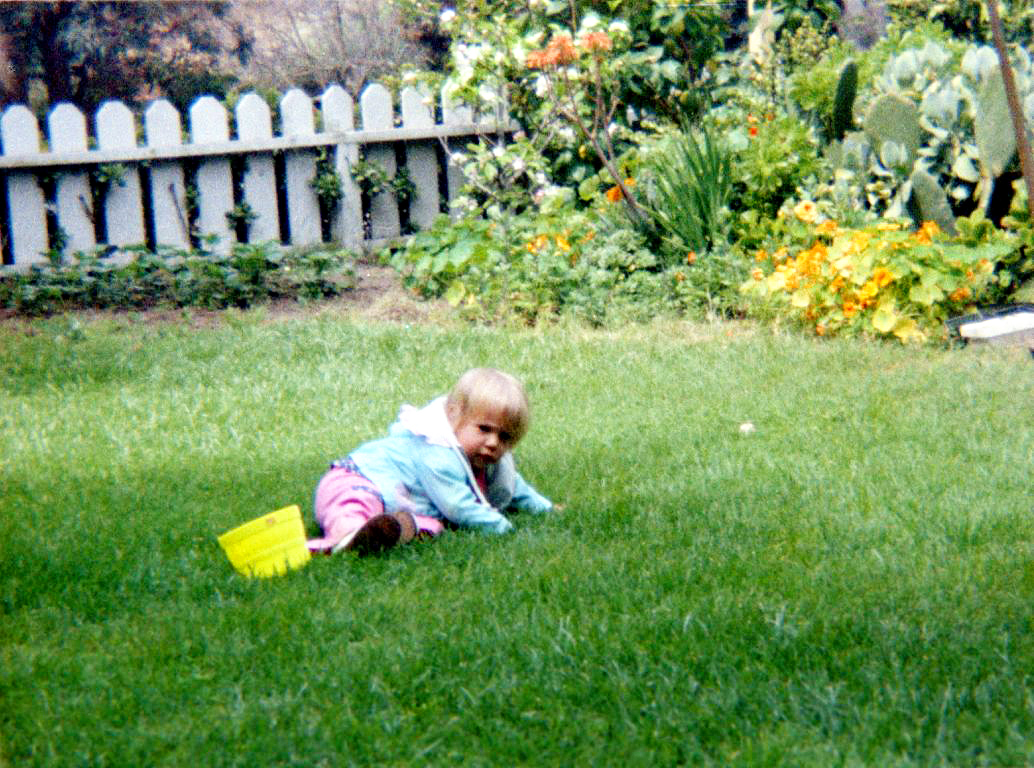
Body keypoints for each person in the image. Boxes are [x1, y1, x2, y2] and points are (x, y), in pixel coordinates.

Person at [307, 367, 554, 555]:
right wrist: (501, 526)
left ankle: (387, 531)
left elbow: (512, 485)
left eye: (505, 436)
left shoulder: (484, 457)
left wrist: (545, 508)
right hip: (358, 479)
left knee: (432, 526)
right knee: (356, 503)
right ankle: (348, 535)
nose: (493, 442)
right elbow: (457, 506)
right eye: (484, 429)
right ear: (455, 415)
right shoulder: (438, 453)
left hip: (397, 500)